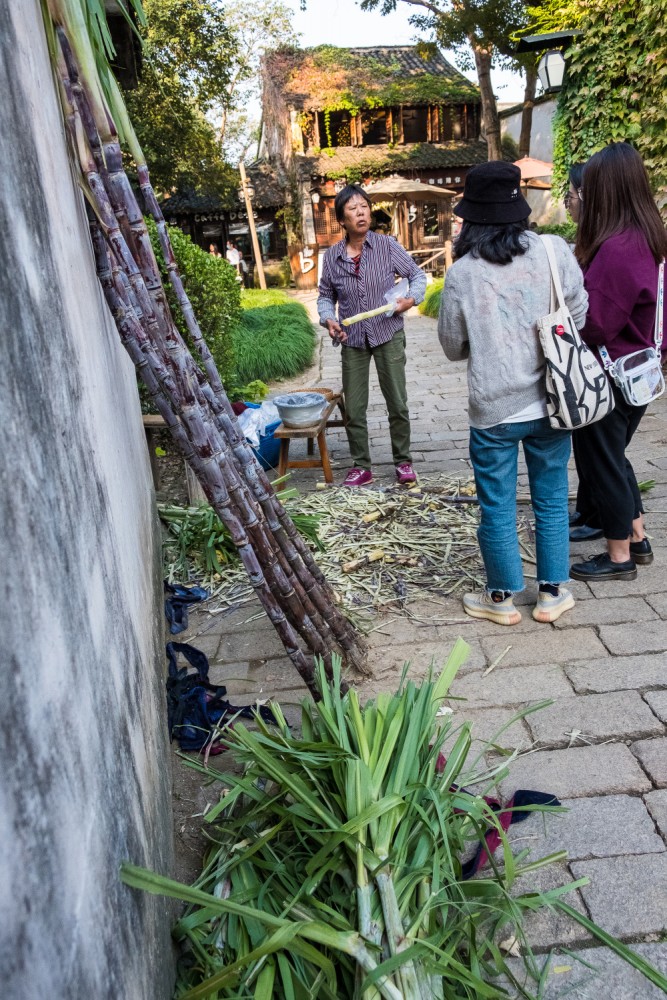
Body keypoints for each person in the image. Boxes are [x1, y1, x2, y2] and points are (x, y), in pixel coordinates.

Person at [438, 161, 588, 625]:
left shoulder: (462, 273)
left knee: (497, 503)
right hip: (552, 400)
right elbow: (578, 314)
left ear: (473, 217)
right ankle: (551, 594)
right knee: (550, 495)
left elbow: (451, 345)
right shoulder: (552, 250)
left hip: (493, 410)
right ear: (518, 207)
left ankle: (500, 600)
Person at [569, 142, 667, 581]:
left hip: (610, 373)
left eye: (588, 188)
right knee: (615, 458)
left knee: (601, 462)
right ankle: (637, 536)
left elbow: (596, 324)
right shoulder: (645, 236)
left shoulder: (618, 247)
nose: (583, 196)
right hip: (636, 372)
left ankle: (619, 556)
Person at [317, 184, 427, 486]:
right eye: (352, 209)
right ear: (342, 219)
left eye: (363, 206)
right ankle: (361, 465)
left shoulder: (387, 245)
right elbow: (325, 295)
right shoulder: (332, 257)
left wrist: (411, 299)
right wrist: (328, 318)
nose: (360, 213)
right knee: (354, 407)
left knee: (397, 402)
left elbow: (417, 275)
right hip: (351, 339)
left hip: (387, 332)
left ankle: (403, 461)